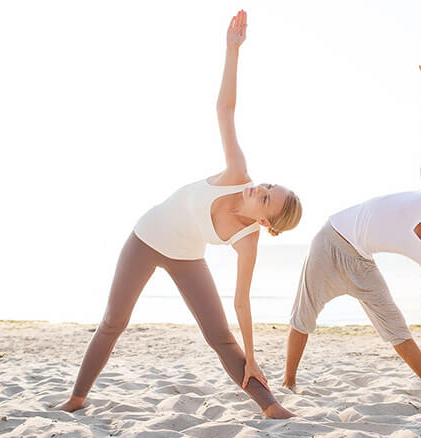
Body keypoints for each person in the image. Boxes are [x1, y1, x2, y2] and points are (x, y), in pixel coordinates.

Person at [56, 10, 301, 419]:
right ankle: (77, 398)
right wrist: (232, 50)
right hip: (147, 237)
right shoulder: (237, 173)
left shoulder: (248, 241)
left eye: (265, 200)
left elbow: (243, 303)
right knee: (114, 321)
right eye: (268, 187)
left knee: (221, 337)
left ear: (264, 222)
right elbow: (225, 109)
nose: (259, 189)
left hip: (187, 257)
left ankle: (272, 408)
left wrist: (253, 356)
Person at [282, 57, 421, 399]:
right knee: (303, 316)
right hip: (331, 239)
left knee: (396, 325)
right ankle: (288, 383)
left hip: (361, 263)